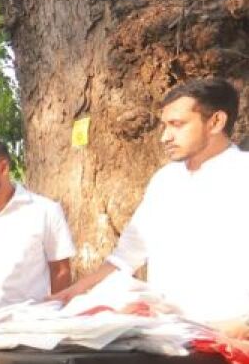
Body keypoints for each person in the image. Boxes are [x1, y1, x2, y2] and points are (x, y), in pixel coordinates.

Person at [51, 77, 249, 337]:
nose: (165, 136)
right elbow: (127, 256)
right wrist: (72, 294)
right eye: (164, 126)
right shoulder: (165, 180)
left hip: (231, 337)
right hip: (167, 334)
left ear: (215, 122)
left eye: (177, 125)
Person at [0, 138, 74, 321]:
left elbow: (61, 271)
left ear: (3, 168)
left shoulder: (45, 210)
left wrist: (58, 317)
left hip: (29, 324)